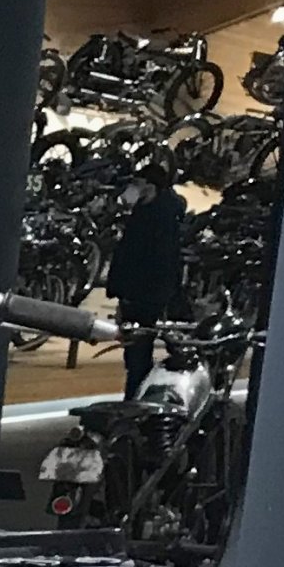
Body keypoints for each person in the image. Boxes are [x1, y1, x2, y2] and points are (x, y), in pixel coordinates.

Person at [107, 152, 185, 396]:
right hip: (140, 293)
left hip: (145, 295)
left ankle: (136, 396)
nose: (133, 189)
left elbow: (142, 257)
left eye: (138, 184)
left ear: (150, 187)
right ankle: (137, 393)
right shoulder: (148, 211)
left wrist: (126, 292)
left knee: (138, 351)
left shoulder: (158, 217)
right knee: (136, 351)